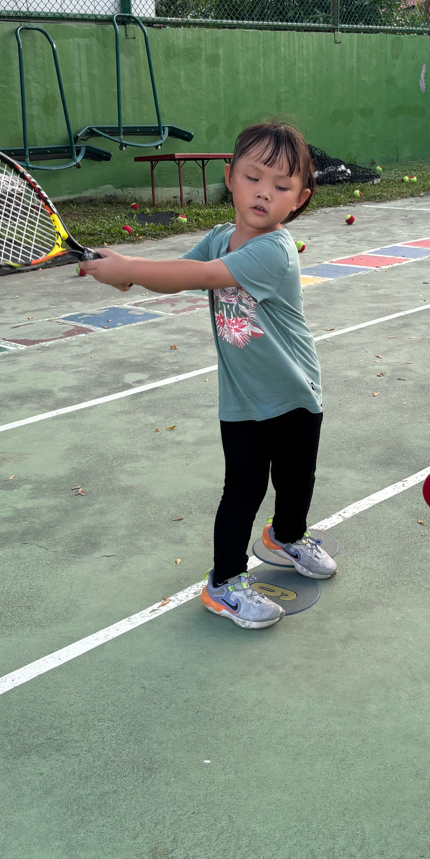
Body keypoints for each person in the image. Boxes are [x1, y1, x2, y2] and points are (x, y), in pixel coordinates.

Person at [79, 122, 337, 630]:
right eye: (253, 177)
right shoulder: (220, 237)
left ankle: (285, 537)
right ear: (231, 177)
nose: (264, 192)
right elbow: (178, 274)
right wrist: (129, 274)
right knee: (242, 490)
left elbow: (202, 277)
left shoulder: (274, 250)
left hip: (294, 391)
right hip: (241, 398)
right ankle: (225, 583)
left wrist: (131, 267)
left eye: (281, 186)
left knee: (295, 479)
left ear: (299, 199)